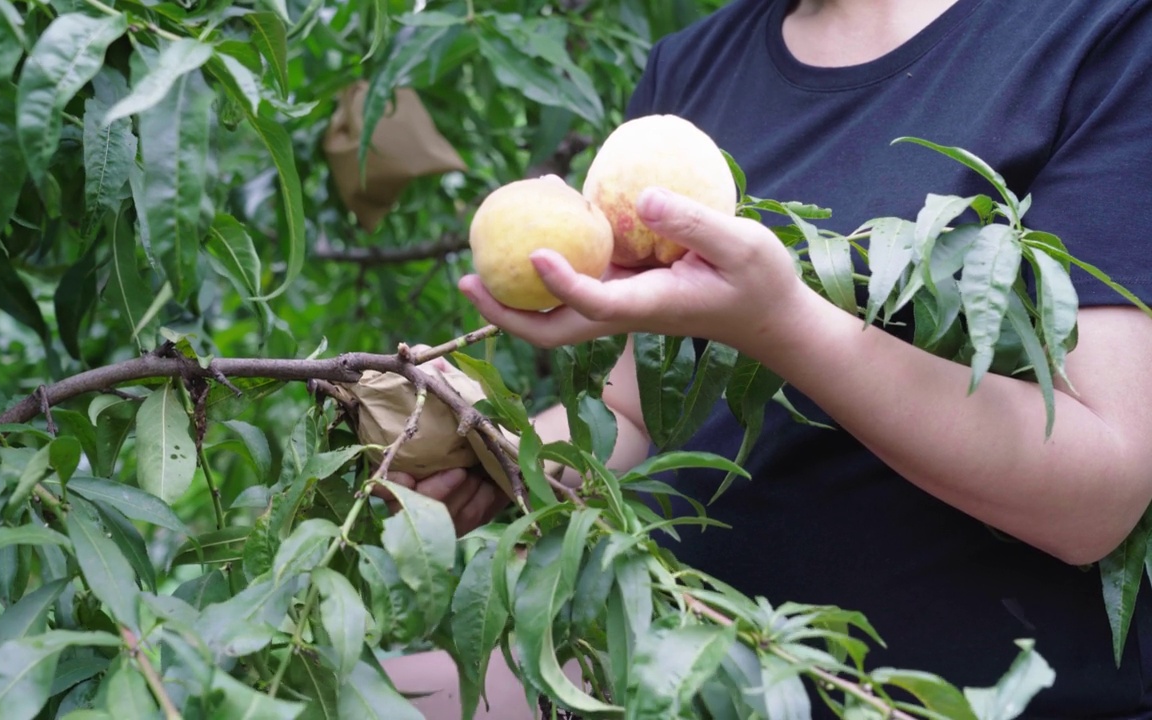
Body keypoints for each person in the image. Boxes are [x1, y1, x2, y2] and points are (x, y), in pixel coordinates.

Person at [386, 0, 1152, 716]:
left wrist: (781, 324)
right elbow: (634, 415)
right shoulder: (694, 68)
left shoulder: (1100, 35)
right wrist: (485, 447)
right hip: (698, 681)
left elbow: (1098, 499)